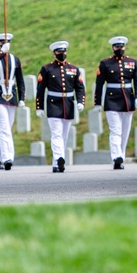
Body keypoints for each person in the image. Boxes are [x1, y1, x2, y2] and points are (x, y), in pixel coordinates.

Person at [94, 36, 137, 170]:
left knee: (125, 131)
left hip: (127, 99)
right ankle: (116, 156)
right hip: (111, 100)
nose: (119, 49)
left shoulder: (132, 62)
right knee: (115, 130)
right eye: (117, 47)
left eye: (121, 47)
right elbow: (99, 84)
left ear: (124, 47)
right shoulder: (105, 64)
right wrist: (97, 102)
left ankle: (120, 157)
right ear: (113, 48)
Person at [36, 40, 84, 173]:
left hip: (68, 104)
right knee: (56, 134)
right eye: (59, 52)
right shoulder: (47, 69)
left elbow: (79, 87)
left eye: (63, 51)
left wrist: (80, 101)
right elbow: (40, 89)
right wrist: (39, 107)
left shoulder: (73, 69)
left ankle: (56, 164)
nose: (62, 54)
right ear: (54, 54)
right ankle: (59, 158)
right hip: (53, 104)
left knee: (64, 136)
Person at [0, 32, 26, 170]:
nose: (5, 43)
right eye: (2, 42)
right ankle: (7, 158)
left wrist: (22, 97)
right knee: (3, 126)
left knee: (7, 127)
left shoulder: (15, 60)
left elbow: (20, 80)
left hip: (12, 95)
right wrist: (1, 53)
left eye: (7, 41)